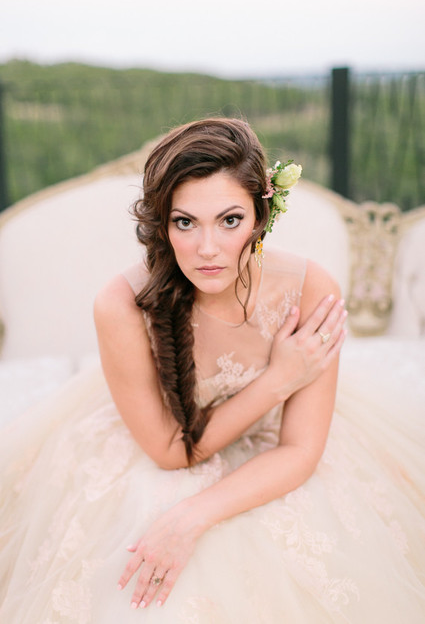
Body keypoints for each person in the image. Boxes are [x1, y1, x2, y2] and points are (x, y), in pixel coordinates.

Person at [0, 118, 424, 623]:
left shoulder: (310, 289)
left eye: (229, 220)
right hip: (161, 440)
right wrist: (278, 380)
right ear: (163, 225)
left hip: (275, 446)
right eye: (185, 222)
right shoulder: (121, 305)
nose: (207, 248)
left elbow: (300, 449)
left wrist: (192, 515)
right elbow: (169, 451)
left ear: (261, 217)